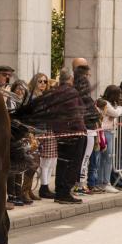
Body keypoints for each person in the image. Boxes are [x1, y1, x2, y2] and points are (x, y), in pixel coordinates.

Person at [45, 68, 86, 204]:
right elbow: (76, 112)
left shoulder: (55, 92)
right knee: (72, 163)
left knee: (62, 163)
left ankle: (60, 191)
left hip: (60, 132)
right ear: (71, 78)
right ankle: (64, 192)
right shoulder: (71, 92)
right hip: (73, 133)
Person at [74, 65, 100, 194]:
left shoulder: (82, 96)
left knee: (84, 157)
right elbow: (93, 114)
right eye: (88, 76)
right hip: (87, 129)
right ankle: (80, 184)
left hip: (87, 129)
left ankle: (80, 183)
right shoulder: (82, 97)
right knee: (84, 158)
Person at [97, 86, 122, 193]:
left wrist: (118, 109)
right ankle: (104, 182)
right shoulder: (105, 103)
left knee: (106, 158)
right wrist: (121, 109)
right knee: (106, 158)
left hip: (109, 131)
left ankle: (103, 181)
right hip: (106, 132)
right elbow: (115, 113)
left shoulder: (110, 103)